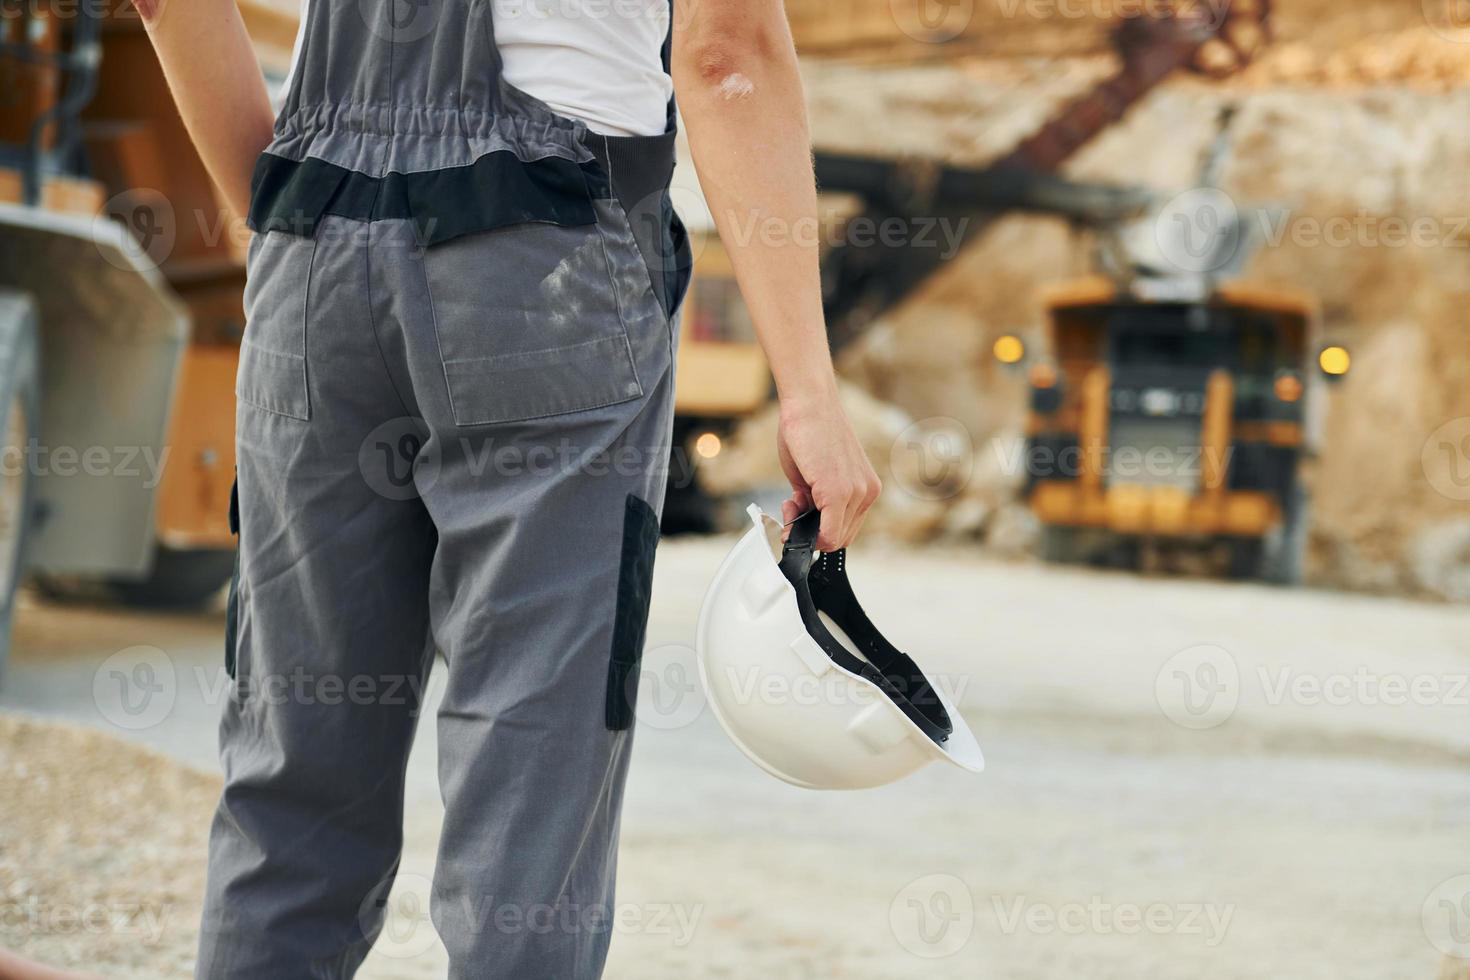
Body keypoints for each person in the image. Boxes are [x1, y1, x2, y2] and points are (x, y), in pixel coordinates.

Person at [139, 0, 880, 975]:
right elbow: (725, 51)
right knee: (528, 789)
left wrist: (288, 216)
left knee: (293, 780)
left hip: (315, 254)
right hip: (544, 263)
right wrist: (810, 397)